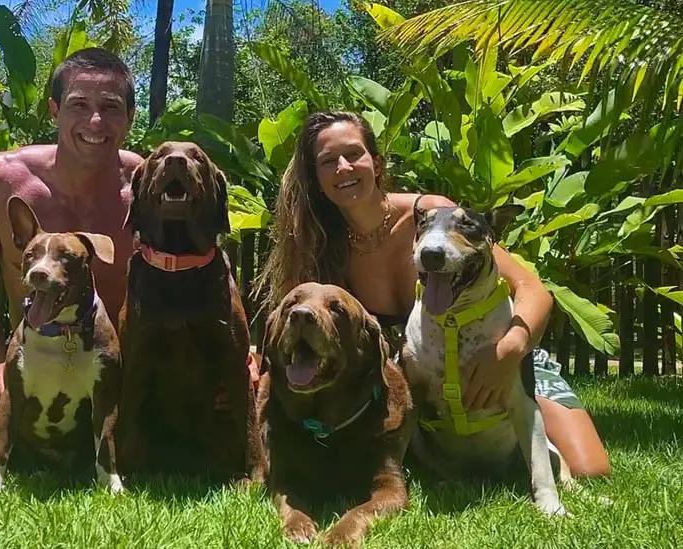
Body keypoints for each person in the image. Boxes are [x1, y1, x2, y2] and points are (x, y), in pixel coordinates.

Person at [254, 111, 610, 478]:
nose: (344, 167)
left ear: (377, 163)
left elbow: (532, 289)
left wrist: (509, 351)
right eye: (328, 161)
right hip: (415, 383)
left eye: (354, 154)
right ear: (316, 178)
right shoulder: (320, 247)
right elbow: (289, 330)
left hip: (498, 360)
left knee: (590, 469)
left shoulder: (436, 218)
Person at [0, 48, 144, 473]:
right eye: (79, 105)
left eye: (111, 107)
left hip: (106, 367)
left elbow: (187, 265)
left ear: (130, 116)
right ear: (54, 110)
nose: (95, 122)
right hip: (29, 360)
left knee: (149, 451)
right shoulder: (1, 178)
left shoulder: (145, 185)